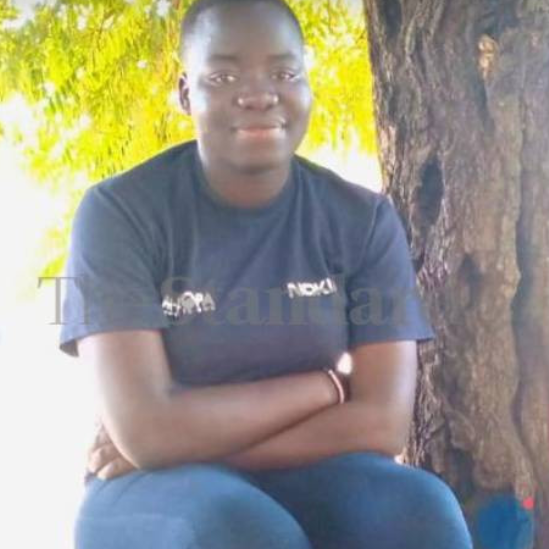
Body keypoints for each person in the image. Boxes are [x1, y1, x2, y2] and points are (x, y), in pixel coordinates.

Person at [59, 0, 473, 547]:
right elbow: (148, 431)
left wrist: (188, 441)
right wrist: (325, 387)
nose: (259, 94)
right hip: (151, 490)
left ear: (307, 86)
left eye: (284, 73)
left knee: (419, 509)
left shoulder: (360, 219)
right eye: (223, 76)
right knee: (244, 528)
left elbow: (382, 422)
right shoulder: (121, 213)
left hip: (299, 466)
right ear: (186, 93)